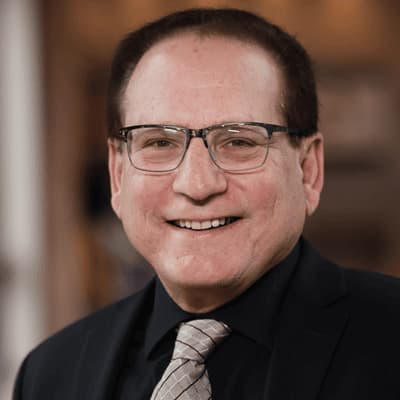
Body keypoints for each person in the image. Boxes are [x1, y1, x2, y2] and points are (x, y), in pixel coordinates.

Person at [13, 8, 400, 400]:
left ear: (308, 169)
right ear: (118, 175)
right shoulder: (50, 374)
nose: (197, 185)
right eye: (160, 142)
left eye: (239, 142)